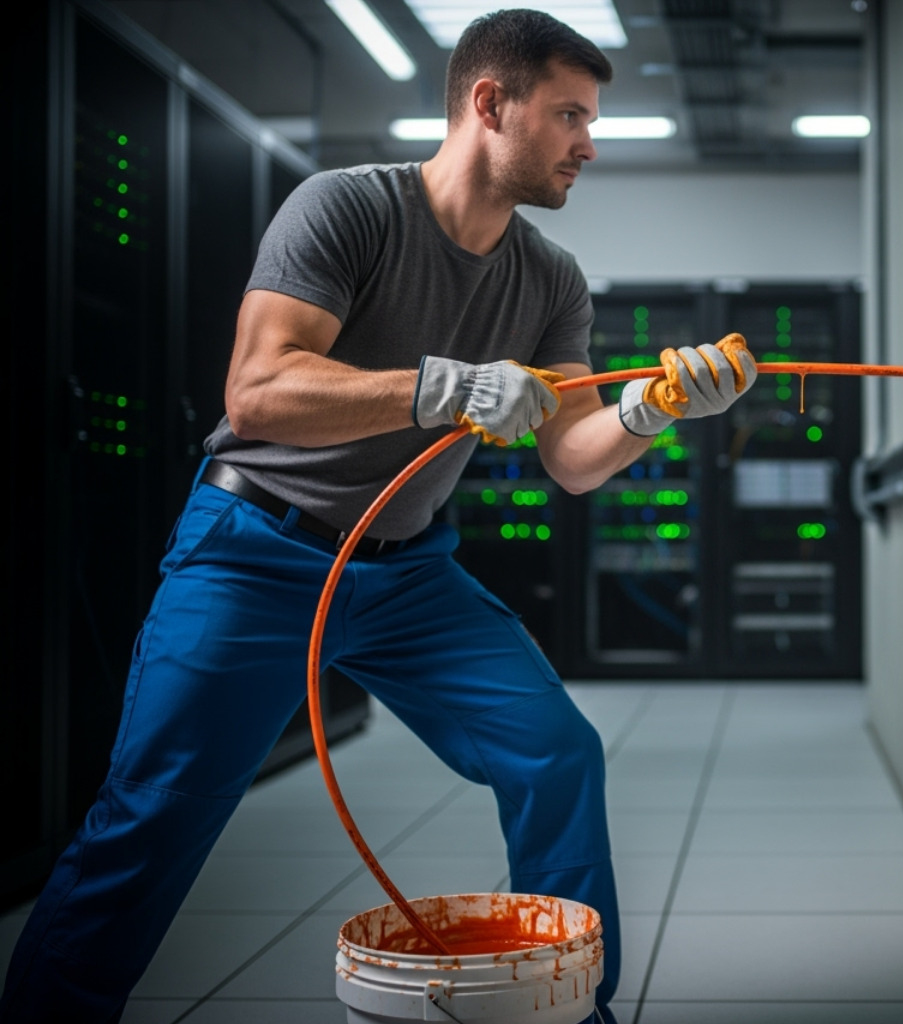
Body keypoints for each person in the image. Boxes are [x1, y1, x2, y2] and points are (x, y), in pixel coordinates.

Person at [0, 10, 756, 1023]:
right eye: (571, 114)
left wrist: (655, 410)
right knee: (153, 817)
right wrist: (441, 388)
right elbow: (257, 394)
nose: (590, 142)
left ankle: (578, 1008)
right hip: (255, 555)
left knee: (556, 752)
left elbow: (574, 458)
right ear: (492, 103)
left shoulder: (550, 278)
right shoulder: (346, 210)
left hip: (406, 576)